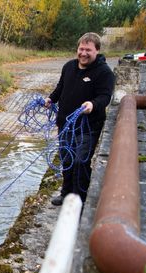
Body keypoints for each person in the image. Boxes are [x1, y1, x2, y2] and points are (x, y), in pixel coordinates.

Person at [44, 32, 115, 206]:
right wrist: (51, 99)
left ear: (96, 50)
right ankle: (66, 193)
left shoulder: (104, 72)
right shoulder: (68, 66)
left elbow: (105, 97)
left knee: (80, 162)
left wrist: (92, 104)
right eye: (81, 49)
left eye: (88, 50)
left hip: (89, 127)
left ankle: (79, 200)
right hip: (65, 124)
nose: (83, 53)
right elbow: (60, 87)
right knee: (67, 160)